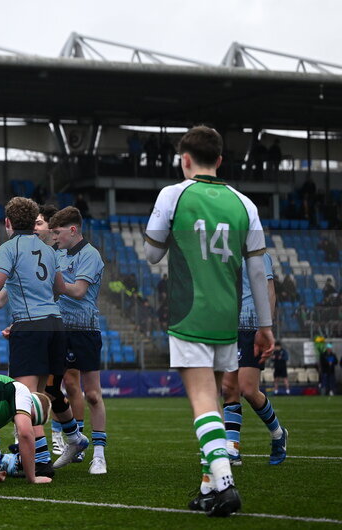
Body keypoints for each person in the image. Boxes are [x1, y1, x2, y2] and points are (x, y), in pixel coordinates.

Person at [144, 125, 273, 517]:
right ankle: (207, 486)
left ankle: (225, 482)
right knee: (214, 398)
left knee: (201, 400)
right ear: (219, 160)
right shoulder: (243, 204)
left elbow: (151, 253)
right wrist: (265, 326)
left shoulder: (173, 194)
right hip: (228, 314)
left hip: (189, 311)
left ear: (185, 160)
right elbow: (257, 272)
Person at [0, 197, 86, 478]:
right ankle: (58, 444)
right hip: (55, 324)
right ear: (34, 222)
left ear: (7, 223)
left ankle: (40, 461)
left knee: (25, 398)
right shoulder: (47, 249)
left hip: (30, 326)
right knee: (43, 395)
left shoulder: (7, 249)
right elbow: (58, 287)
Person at [50, 206, 108, 475]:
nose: (54, 237)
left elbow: (78, 290)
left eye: (58, 232)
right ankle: (74, 440)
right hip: (60, 330)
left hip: (85, 330)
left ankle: (99, 455)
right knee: (52, 389)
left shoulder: (91, 255)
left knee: (93, 394)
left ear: (73, 230)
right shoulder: (58, 254)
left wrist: (53, 281)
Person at [222, 253, 288, 466]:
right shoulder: (225, 250)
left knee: (248, 389)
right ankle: (232, 451)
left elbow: (269, 291)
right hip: (228, 326)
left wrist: (265, 326)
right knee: (229, 387)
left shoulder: (259, 255)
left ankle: (278, 433)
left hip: (252, 326)